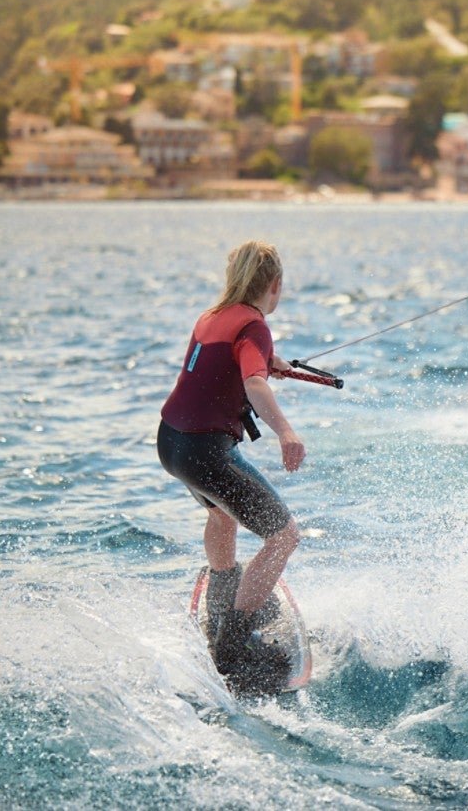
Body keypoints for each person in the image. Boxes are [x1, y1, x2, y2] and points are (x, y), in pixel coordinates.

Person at [157, 240, 304, 685]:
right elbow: (254, 384)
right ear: (275, 285)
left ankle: (223, 596)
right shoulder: (255, 325)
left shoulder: (211, 316)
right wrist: (286, 432)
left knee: (222, 513)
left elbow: (227, 364)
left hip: (172, 443)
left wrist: (265, 361)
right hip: (204, 450)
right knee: (282, 536)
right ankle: (234, 646)